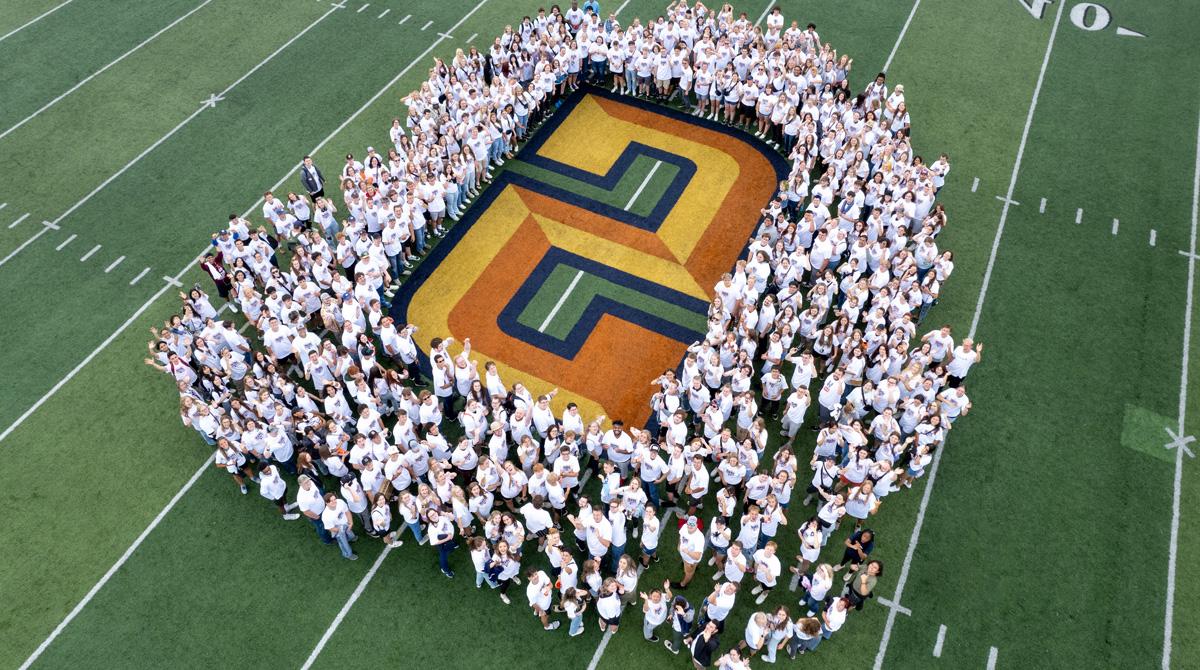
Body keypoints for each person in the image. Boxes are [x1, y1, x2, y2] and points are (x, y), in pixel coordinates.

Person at [321, 492, 358, 561]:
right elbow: (330, 528)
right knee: (343, 542)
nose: (334, 501)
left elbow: (347, 512)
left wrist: (351, 523)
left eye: (334, 499)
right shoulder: (326, 515)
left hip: (345, 523)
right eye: (331, 501)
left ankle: (350, 538)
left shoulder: (340, 502)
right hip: (337, 529)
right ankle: (347, 554)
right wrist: (341, 530)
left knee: (351, 535)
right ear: (326, 503)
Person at [428, 507, 457, 578]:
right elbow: (434, 542)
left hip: (450, 538)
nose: (433, 516)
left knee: (451, 546)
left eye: (434, 513)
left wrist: (445, 513)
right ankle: (446, 570)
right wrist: (447, 538)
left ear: (436, 512)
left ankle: (453, 545)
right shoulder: (431, 528)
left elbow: (453, 518)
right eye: (431, 516)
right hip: (442, 544)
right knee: (443, 557)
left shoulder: (442, 517)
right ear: (429, 519)